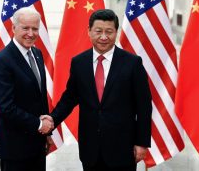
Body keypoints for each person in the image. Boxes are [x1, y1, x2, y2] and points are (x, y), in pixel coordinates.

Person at [46, 9, 152, 171]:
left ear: (116, 32)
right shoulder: (79, 62)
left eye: (109, 32)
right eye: (98, 31)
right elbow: (69, 99)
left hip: (123, 148)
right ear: (89, 31)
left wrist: (142, 142)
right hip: (91, 149)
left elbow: (144, 106)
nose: (103, 37)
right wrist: (51, 121)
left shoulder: (133, 63)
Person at [0, 7, 54, 171]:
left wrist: (46, 134)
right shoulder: (3, 60)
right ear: (13, 28)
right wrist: (40, 124)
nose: (31, 33)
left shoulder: (37, 54)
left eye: (35, 28)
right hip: (15, 149)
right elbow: (5, 107)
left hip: (37, 145)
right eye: (25, 28)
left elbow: (39, 97)